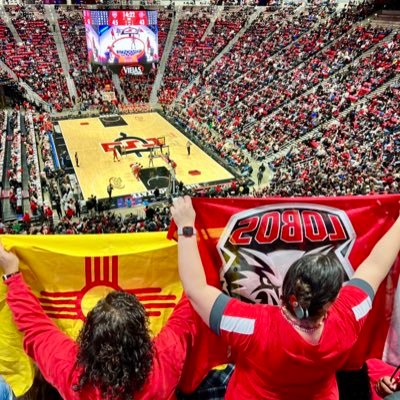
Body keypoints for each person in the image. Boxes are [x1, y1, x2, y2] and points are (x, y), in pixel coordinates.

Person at [170, 196, 400, 400]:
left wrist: (186, 227)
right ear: (331, 302)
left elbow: (196, 288)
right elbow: (375, 265)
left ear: (283, 290)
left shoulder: (254, 327)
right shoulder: (349, 317)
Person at [0, 244, 224, 400]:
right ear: (143, 335)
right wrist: (206, 254)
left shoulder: (70, 371)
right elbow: (193, 302)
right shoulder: (164, 358)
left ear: (88, 333)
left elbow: (35, 327)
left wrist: (13, 275)